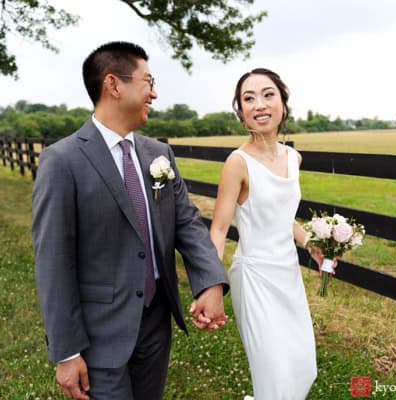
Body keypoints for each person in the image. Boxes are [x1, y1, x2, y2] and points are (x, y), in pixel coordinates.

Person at [32, 41, 228, 400]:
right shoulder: (62, 161)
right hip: (98, 335)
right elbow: (53, 262)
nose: (154, 92)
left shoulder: (159, 154)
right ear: (114, 85)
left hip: (155, 325)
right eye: (147, 81)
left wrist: (211, 282)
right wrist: (66, 351)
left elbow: (186, 222)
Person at [209, 68, 327, 399]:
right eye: (249, 98)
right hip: (255, 277)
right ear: (241, 111)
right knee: (275, 379)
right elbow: (218, 229)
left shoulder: (293, 157)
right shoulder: (237, 163)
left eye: (267, 94)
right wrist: (212, 285)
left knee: (304, 368)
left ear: (282, 104)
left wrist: (310, 242)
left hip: (287, 275)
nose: (259, 104)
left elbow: (281, 218)